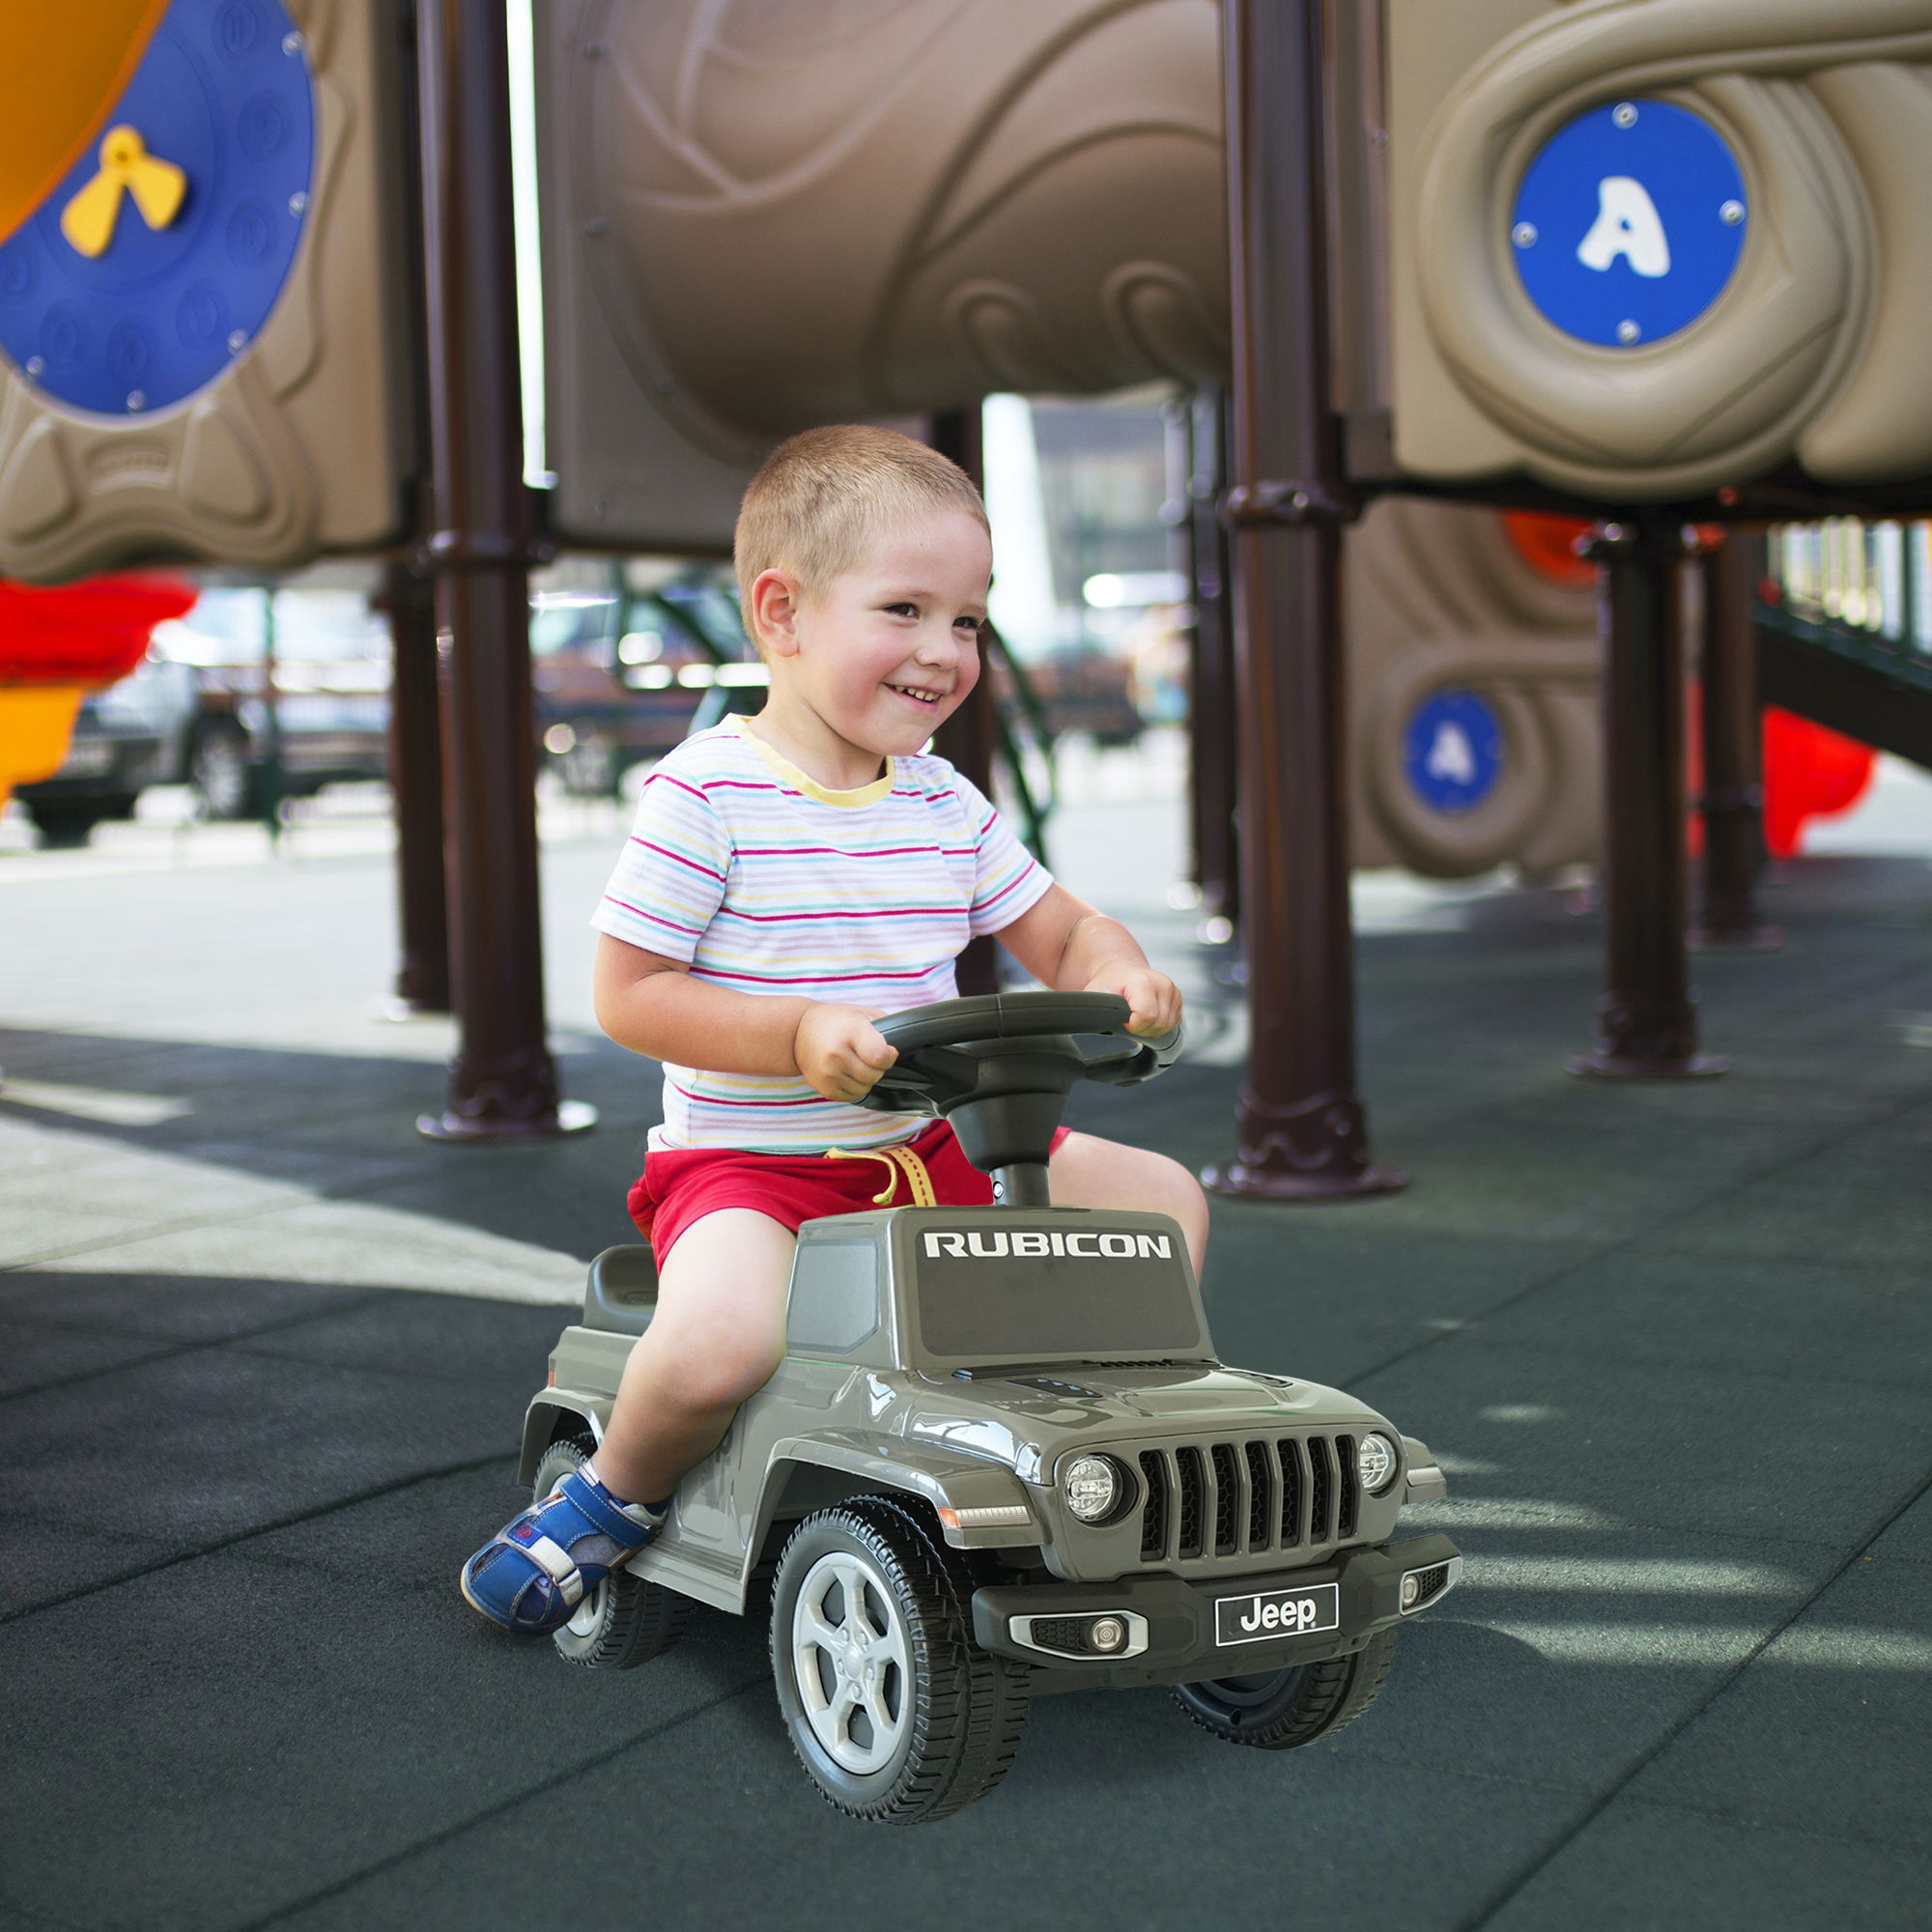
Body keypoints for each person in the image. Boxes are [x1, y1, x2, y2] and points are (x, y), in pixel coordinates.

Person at [461, 424, 1208, 1634]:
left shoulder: (943, 801)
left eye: (966, 619)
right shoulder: (706, 797)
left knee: (1162, 1200)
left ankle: (1084, 1439)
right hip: (757, 1166)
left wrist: (1118, 965)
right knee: (716, 1339)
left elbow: (1060, 930)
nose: (942, 650)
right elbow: (629, 991)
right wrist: (797, 1030)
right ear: (782, 612)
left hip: (930, 1149)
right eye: (904, 609)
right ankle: (607, 1499)